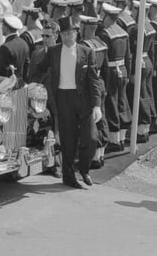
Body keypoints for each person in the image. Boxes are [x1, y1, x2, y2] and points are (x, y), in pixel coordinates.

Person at [34, 15, 102, 189]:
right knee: (68, 139)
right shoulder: (54, 52)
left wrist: (96, 105)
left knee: (91, 138)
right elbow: (39, 69)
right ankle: (68, 176)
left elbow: (94, 81)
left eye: (70, 33)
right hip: (63, 98)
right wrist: (34, 86)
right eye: (64, 34)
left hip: (83, 99)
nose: (67, 37)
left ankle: (84, 169)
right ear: (60, 35)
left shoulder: (86, 52)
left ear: (76, 33)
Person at [0, 15, 29, 80]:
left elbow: (1, 73)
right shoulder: (24, 44)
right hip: (20, 83)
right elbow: (25, 67)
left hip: (7, 85)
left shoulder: (5, 47)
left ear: (6, 28)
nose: (1, 28)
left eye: (3, 26)